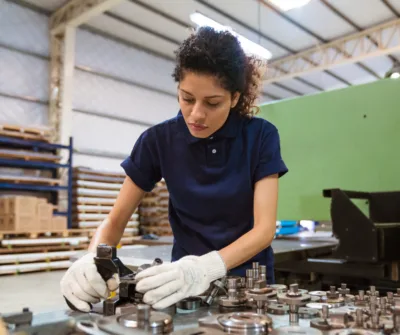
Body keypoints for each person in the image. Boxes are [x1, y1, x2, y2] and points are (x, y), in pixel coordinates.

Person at [60, 26, 288, 312]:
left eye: (212, 103)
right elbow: (115, 221)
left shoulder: (261, 137)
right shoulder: (158, 141)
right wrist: (91, 258)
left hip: (248, 285)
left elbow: (264, 230)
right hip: (178, 285)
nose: (196, 114)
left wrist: (204, 268)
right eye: (187, 98)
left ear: (234, 97)